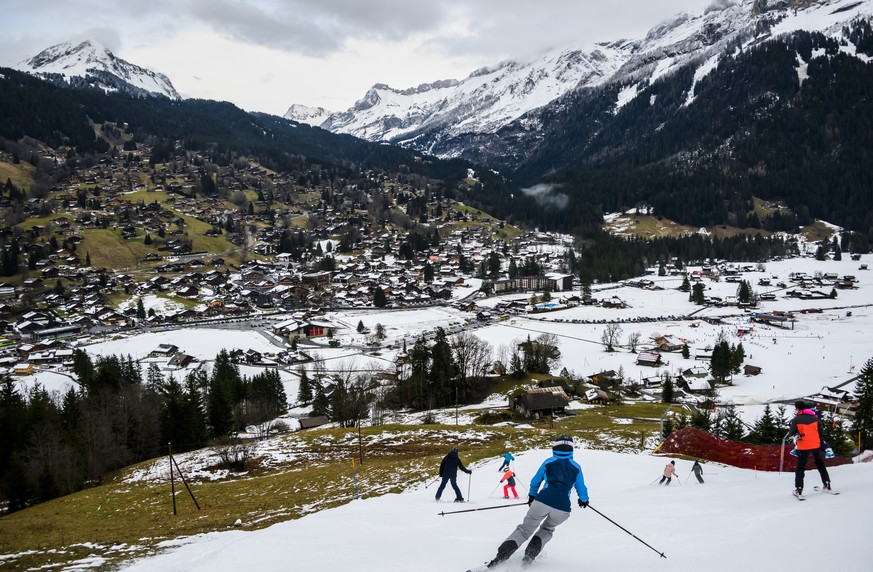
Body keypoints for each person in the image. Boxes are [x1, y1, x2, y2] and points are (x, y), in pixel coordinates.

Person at [482, 434, 588, 567]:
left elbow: (535, 481)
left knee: (524, 530)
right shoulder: (576, 467)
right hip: (562, 509)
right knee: (548, 529)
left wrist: (532, 496)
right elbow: (581, 488)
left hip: (542, 502)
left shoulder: (548, 462)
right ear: (572, 449)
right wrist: (584, 500)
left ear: (554, 447)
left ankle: (501, 556)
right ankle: (529, 556)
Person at [788, 400, 832, 498]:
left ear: (798, 408)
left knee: (801, 467)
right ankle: (827, 484)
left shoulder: (796, 419)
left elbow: (791, 432)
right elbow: (821, 431)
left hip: (803, 446)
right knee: (820, 464)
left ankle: (799, 489)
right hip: (815, 445)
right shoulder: (815, 418)